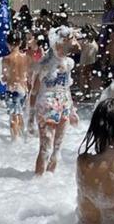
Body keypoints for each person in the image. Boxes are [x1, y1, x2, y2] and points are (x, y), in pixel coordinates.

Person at [30, 26, 79, 175]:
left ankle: (49, 186)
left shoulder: (68, 62)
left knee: (57, 149)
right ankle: (37, 185)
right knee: (45, 149)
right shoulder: (44, 64)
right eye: (71, 40)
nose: (75, 44)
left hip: (63, 104)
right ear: (60, 42)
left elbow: (66, 87)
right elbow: (34, 91)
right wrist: (30, 118)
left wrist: (72, 110)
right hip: (47, 105)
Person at [2, 30, 31, 141]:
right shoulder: (26, 58)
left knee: (13, 116)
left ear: (8, 43)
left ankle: (15, 141)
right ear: (20, 43)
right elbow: (28, 74)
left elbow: (4, 78)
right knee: (20, 113)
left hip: (12, 89)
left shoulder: (7, 59)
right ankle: (24, 137)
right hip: (23, 90)